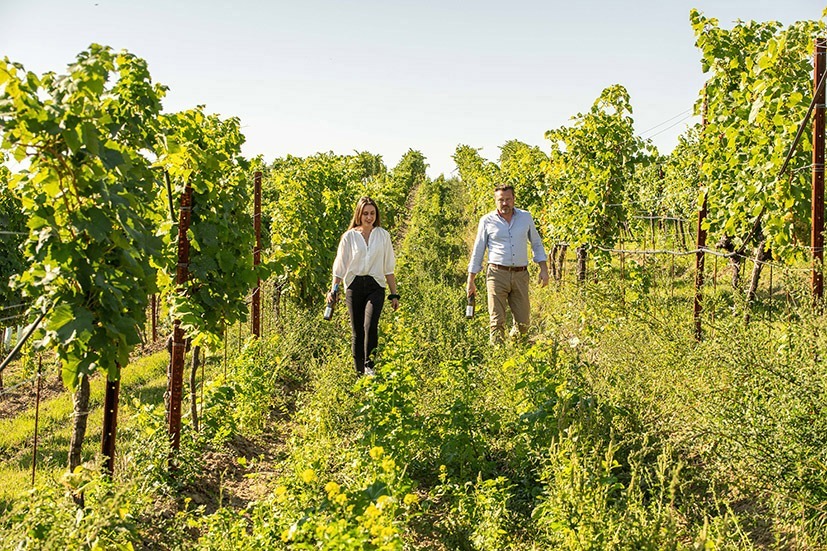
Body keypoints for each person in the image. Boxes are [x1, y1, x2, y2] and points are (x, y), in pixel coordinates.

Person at [467, 184, 549, 344]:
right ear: (495, 201)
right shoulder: (487, 221)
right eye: (501, 200)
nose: (505, 203)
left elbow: (537, 244)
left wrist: (543, 269)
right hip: (497, 275)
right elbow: (478, 250)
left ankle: (517, 353)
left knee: (523, 323)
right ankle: (497, 357)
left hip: (521, 275)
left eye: (508, 199)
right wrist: (471, 280)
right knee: (497, 321)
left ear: (514, 199)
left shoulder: (526, 217)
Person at [329, 196, 400, 375]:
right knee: (357, 331)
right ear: (359, 215)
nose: (369, 217)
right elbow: (340, 266)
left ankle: (370, 367)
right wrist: (334, 290)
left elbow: (388, 267)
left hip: (375, 285)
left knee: (370, 325)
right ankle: (359, 373)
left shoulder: (383, 235)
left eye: (372, 213)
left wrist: (394, 294)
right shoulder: (349, 237)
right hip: (354, 285)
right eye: (365, 214)